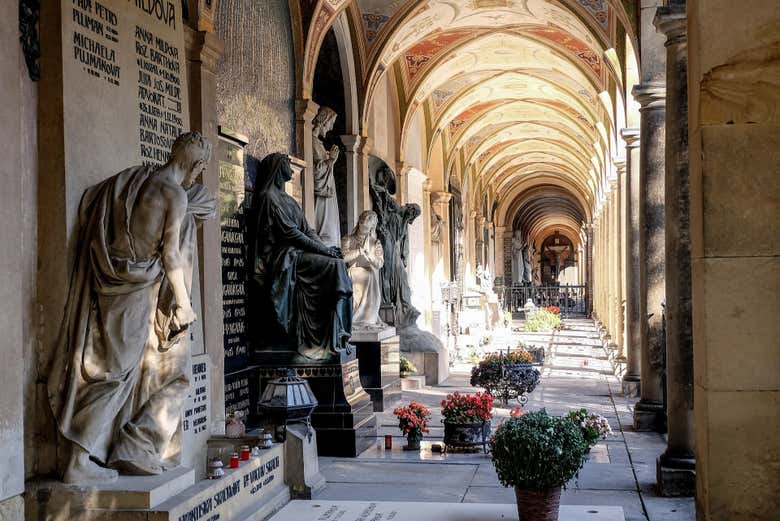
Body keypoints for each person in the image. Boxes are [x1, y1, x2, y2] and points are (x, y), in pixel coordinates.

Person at [48, 132, 216, 483]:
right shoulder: (175, 196)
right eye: (199, 168)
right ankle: (77, 461)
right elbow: (170, 255)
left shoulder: (134, 179)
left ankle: (98, 451)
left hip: (112, 280)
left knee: (109, 368)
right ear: (195, 165)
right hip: (136, 290)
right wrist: (184, 305)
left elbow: (96, 205)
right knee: (116, 374)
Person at [250, 153, 353, 360]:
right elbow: (291, 233)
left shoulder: (288, 199)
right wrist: (323, 251)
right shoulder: (269, 197)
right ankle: (321, 339)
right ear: (279, 168)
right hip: (284, 257)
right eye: (287, 163)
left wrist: (324, 248)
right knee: (333, 266)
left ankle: (336, 334)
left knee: (338, 263)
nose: (291, 167)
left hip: (299, 253)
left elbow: (307, 229)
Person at [342, 211, 385, 327]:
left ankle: (367, 318)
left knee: (368, 276)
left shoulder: (375, 243)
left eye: (367, 227)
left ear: (371, 228)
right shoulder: (348, 239)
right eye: (362, 224)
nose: (363, 228)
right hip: (352, 273)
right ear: (359, 223)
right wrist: (358, 252)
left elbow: (380, 263)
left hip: (368, 276)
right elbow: (343, 258)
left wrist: (370, 256)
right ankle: (353, 317)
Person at [312, 106, 342, 247]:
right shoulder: (312, 142)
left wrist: (330, 161)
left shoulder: (318, 144)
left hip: (328, 194)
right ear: (324, 121)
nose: (330, 128)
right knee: (325, 232)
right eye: (330, 124)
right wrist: (330, 161)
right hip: (321, 197)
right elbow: (315, 175)